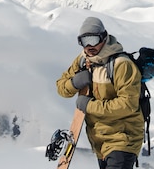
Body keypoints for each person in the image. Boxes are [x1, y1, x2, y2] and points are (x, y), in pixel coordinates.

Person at [56, 17, 144, 169]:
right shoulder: (83, 61)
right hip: (99, 141)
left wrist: (89, 106)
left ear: (104, 38)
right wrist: (74, 83)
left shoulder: (122, 65)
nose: (89, 46)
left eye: (93, 40)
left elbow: (127, 105)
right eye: (84, 41)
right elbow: (61, 88)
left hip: (123, 139)